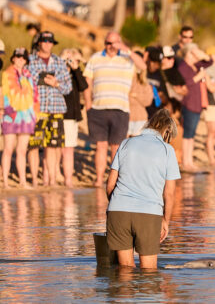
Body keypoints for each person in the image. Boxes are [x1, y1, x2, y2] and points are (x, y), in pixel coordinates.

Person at [106, 108, 180, 269]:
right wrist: (165, 220)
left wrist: (116, 207)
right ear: (166, 131)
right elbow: (170, 193)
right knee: (149, 273)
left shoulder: (126, 143)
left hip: (118, 211)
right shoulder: (167, 150)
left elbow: (111, 184)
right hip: (149, 213)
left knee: (125, 270)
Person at [84, 32, 146, 187]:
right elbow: (87, 82)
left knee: (116, 147)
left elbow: (143, 66)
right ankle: (99, 179)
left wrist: (126, 49)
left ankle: (114, 180)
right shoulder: (95, 58)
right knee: (100, 146)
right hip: (98, 108)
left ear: (120, 42)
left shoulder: (127, 58)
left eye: (114, 43)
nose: (111, 47)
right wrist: (88, 104)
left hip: (120, 109)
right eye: (108, 43)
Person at [27, 31, 71, 187]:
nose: (47, 43)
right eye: (44, 41)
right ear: (39, 42)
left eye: (50, 41)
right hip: (36, 110)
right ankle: (34, 179)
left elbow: (68, 88)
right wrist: (39, 81)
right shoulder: (30, 61)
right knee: (33, 145)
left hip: (56, 109)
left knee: (52, 146)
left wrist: (56, 83)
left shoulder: (59, 62)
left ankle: (51, 179)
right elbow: (24, 82)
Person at [0, 47, 36, 188]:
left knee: (22, 150)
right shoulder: (6, 74)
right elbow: (3, 93)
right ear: (13, 58)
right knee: (8, 148)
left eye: (23, 57)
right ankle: (5, 181)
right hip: (10, 115)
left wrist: (34, 114)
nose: (20, 60)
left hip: (26, 115)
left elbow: (33, 95)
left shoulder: (28, 75)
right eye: (18, 57)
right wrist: (4, 110)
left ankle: (22, 181)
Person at [176, 43, 210, 171]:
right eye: (193, 52)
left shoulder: (195, 65)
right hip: (188, 103)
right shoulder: (183, 66)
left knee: (192, 134)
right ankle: (186, 161)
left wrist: (202, 54)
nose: (196, 55)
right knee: (187, 134)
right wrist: (198, 77)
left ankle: (189, 160)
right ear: (188, 53)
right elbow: (185, 83)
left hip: (197, 103)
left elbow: (209, 62)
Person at [60, 48, 87, 187]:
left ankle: (68, 179)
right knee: (55, 149)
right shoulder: (58, 71)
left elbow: (84, 86)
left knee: (68, 149)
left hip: (71, 116)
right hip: (57, 115)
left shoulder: (76, 75)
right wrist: (61, 60)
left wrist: (77, 67)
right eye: (68, 60)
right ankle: (50, 177)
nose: (70, 63)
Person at [128, 55, 156, 138]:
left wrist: (135, 95)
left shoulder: (145, 84)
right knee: (124, 146)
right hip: (126, 118)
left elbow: (147, 101)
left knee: (137, 146)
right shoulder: (126, 82)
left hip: (140, 119)